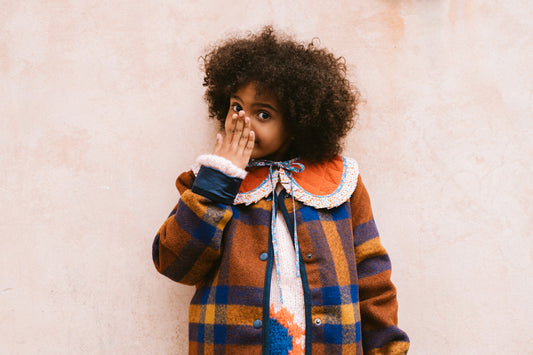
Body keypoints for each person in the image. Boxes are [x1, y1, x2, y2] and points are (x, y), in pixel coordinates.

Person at [152, 26, 409, 354]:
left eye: (263, 114)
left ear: (297, 122)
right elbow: (175, 263)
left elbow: (373, 281)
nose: (243, 122)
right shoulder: (208, 180)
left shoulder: (340, 182)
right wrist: (220, 178)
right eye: (236, 106)